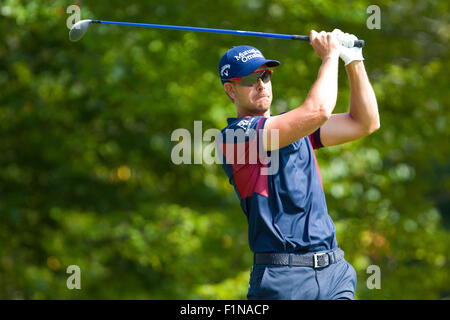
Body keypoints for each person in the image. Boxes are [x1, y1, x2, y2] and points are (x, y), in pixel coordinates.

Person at [216, 29, 380, 300]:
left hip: (334, 273)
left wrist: (353, 59)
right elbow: (318, 111)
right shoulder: (235, 137)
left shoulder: (295, 128)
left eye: (265, 75)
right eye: (249, 79)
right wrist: (330, 57)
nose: (261, 84)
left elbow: (365, 122)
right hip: (284, 279)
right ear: (230, 90)